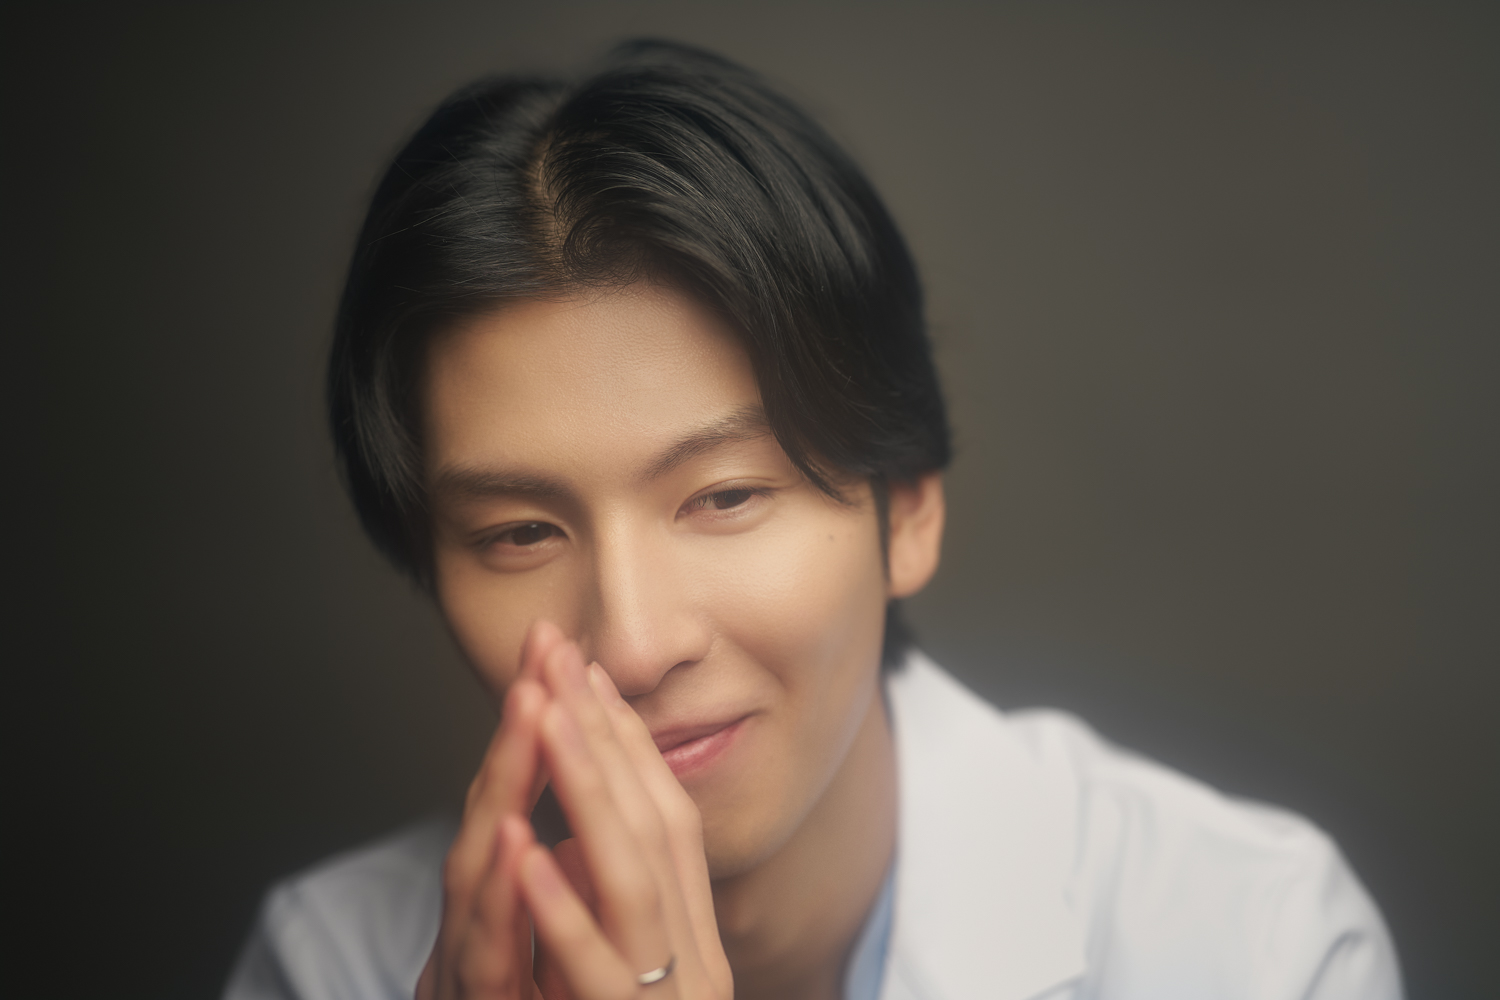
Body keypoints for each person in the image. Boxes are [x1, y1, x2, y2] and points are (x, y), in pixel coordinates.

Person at [224, 40, 1402, 1000]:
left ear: (909, 506)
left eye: (727, 495)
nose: (633, 645)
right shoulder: (329, 967)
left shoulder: (1255, 944)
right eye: (521, 533)